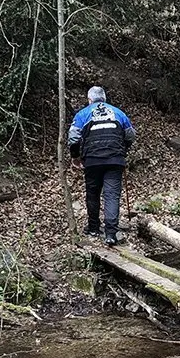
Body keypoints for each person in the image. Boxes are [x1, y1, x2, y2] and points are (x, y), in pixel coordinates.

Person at [67, 86, 137, 246]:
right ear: (104, 99)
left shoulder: (82, 114)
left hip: (92, 160)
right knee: (112, 195)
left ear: (89, 100)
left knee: (93, 193)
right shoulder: (119, 113)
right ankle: (111, 234)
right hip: (115, 159)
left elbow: (73, 138)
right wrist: (124, 149)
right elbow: (131, 135)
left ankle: (93, 228)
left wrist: (75, 158)